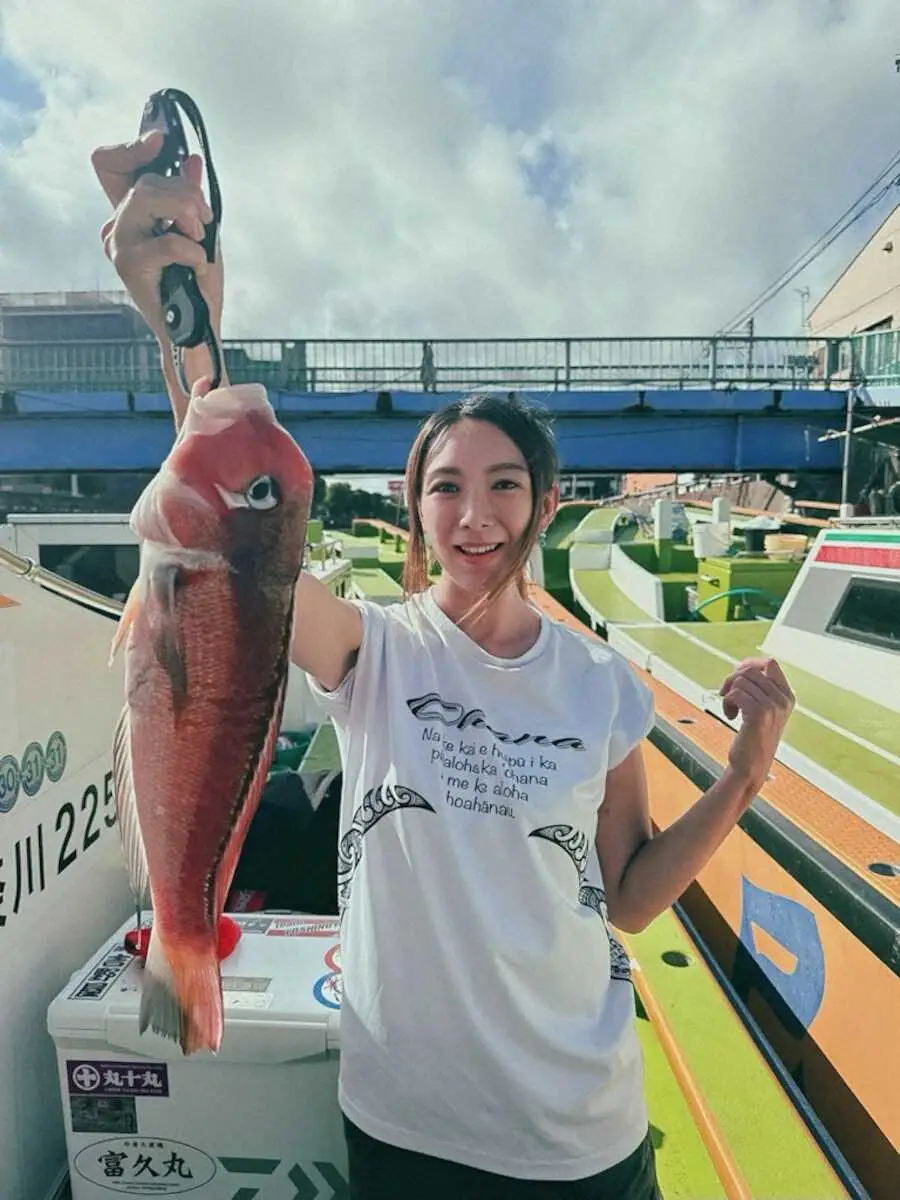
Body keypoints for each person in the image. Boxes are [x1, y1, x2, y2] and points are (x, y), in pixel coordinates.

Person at [92, 131, 795, 1200]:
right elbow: (231, 550)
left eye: (506, 485)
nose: (476, 515)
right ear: (415, 513)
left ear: (547, 505)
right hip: (408, 1130)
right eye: (446, 488)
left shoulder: (602, 682)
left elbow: (633, 897)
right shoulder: (374, 648)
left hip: (583, 1134)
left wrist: (746, 775)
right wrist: (183, 315)